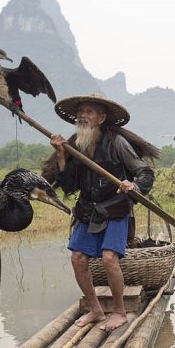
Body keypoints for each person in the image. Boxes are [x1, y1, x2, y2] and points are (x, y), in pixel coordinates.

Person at [50, 94, 155, 332]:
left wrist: (134, 186)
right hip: (88, 210)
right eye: (80, 112)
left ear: (102, 117)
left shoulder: (117, 142)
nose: (82, 115)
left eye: (89, 111)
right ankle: (96, 310)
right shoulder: (76, 145)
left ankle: (119, 312)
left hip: (115, 208)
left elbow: (145, 172)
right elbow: (68, 186)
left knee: (109, 258)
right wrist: (59, 154)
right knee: (78, 259)